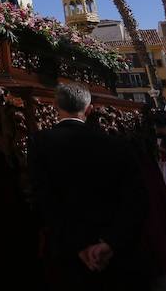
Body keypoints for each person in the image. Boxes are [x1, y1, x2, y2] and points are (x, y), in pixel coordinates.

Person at [28, 83, 148, 291]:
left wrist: (79, 245)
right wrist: (110, 243)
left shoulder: (40, 143)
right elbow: (137, 200)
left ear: (55, 105)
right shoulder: (118, 145)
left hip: (68, 250)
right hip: (116, 254)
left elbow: (44, 199)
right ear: (90, 109)